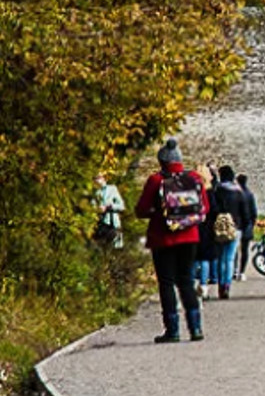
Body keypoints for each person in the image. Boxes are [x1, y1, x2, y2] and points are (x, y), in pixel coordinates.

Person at [133, 140, 207, 343]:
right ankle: (196, 327)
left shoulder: (156, 180)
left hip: (163, 238)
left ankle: (172, 330)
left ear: (162, 161)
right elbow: (204, 208)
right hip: (190, 236)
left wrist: (157, 213)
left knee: (166, 283)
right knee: (186, 281)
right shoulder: (194, 178)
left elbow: (141, 209)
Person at [206, 165, 243, 299]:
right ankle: (227, 284)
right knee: (230, 257)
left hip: (220, 227)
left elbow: (212, 209)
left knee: (221, 257)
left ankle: (221, 285)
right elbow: (244, 211)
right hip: (235, 227)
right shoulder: (238, 192)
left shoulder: (216, 191)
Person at [235, 173, 258, 280]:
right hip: (247, 224)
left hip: (237, 224)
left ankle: (234, 270)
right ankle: (242, 271)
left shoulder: (236, 194)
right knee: (245, 250)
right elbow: (254, 212)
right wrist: (252, 223)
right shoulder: (250, 194)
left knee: (234, 249)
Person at [93, 174, 125, 249]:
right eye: (95, 178)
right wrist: (98, 209)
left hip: (114, 223)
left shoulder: (112, 189)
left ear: (104, 178)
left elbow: (121, 206)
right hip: (102, 225)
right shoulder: (96, 193)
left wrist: (109, 207)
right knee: (103, 250)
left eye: (98, 177)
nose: (97, 180)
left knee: (116, 249)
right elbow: (93, 208)